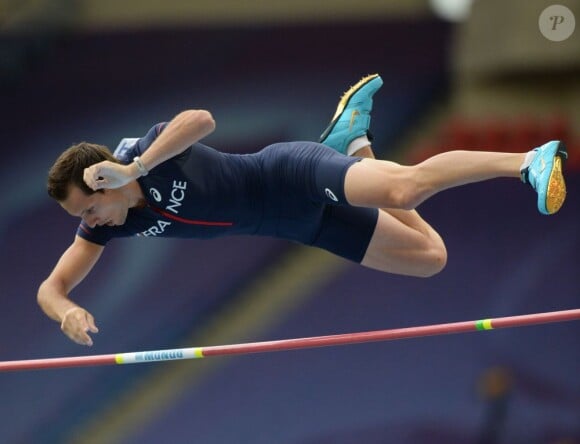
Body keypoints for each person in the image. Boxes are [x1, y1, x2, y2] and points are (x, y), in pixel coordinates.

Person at [38, 74, 568, 347]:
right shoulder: (109, 228)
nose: (90, 220)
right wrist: (67, 312)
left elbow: (200, 119)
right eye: (80, 217)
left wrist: (137, 168)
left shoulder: (150, 155)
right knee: (430, 257)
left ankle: (527, 160)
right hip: (300, 226)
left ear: (102, 177)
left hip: (292, 173)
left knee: (405, 192)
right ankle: (353, 142)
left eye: (89, 206)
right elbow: (51, 288)